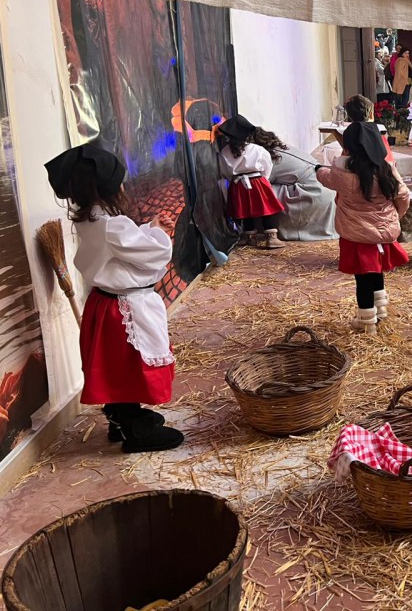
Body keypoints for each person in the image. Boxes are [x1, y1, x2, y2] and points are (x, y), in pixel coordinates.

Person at [44, 144, 184, 453]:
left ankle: (120, 420)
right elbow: (151, 253)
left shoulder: (90, 218)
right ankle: (135, 431)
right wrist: (160, 234)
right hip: (123, 307)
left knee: (115, 368)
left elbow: (121, 249)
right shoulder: (112, 224)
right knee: (128, 367)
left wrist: (149, 228)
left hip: (104, 303)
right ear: (109, 187)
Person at [316, 111, 411, 333]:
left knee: (363, 278)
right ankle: (381, 310)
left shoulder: (341, 170)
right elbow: (403, 195)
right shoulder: (387, 168)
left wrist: (319, 170)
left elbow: (327, 179)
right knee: (376, 271)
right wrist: (397, 215)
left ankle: (367, 322)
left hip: (356, 234)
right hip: (383, 231)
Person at [252, 127, 337, 241]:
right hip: (325, 191)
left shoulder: (264, 156)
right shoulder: (280, 147)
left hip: (313, 194)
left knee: (257, 189)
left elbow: (258, 182)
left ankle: (267, 229)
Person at [216, 114, 286, 249]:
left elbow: (224, 171)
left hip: (237, 184)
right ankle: (271, 238)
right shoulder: (257, 149)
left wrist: (234, 179)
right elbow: (267, 166)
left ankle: (249, 237)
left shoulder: (224, 152)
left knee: (244, 210)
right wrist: (264, 179)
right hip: (258, 182)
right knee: (267, 209)